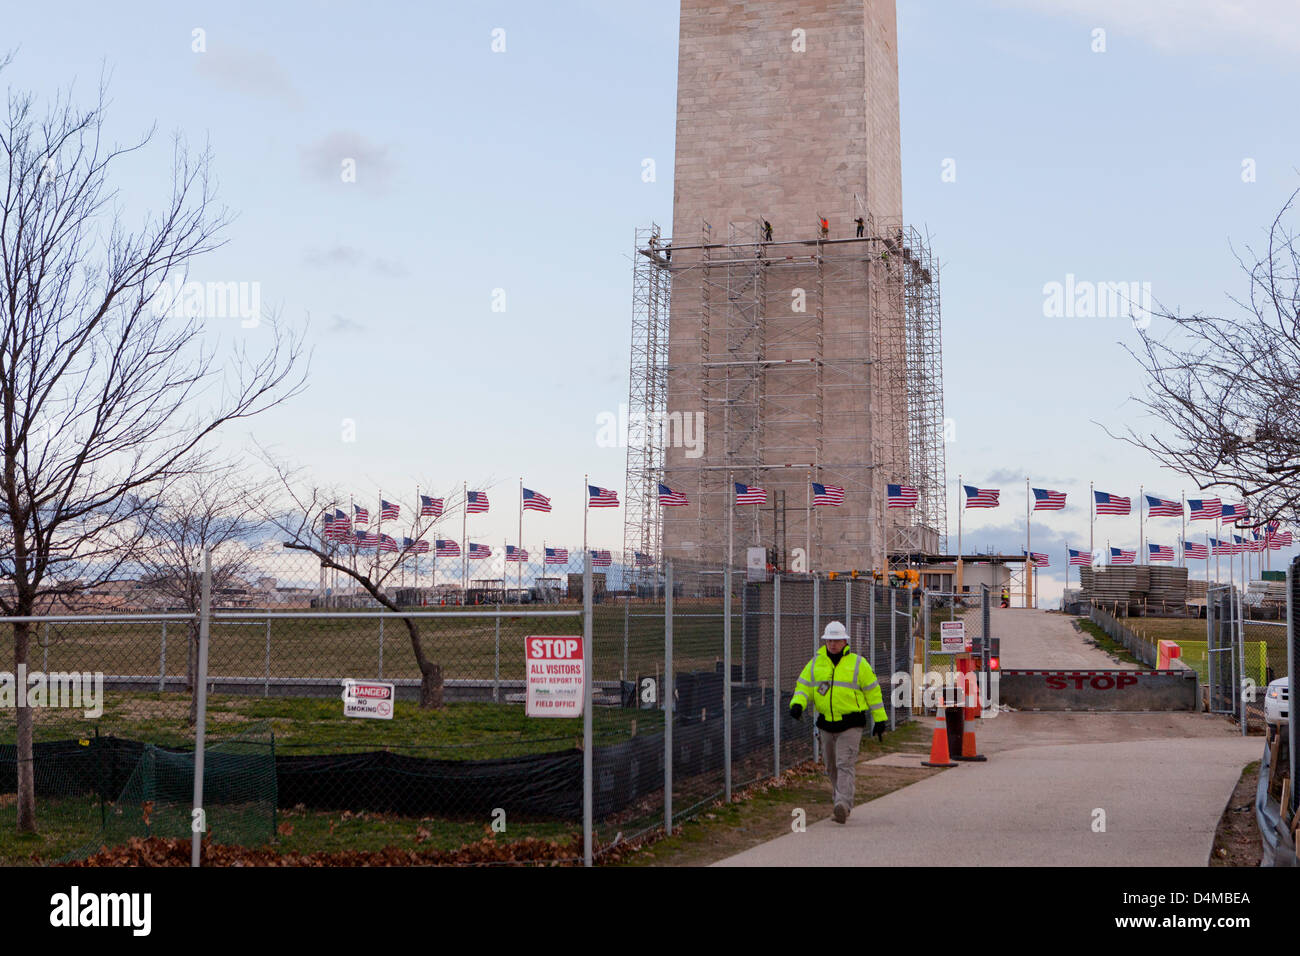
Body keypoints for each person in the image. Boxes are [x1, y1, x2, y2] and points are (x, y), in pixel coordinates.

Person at [789, 621, 888, 824]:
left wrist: (880, 719)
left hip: (851, 724)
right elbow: (803, 687)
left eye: (837, 640)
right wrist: (797, 704)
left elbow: (873, 692)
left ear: (845, 641)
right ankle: (839, 799)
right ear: (825, 641)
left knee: (845, 763)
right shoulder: (816, 664)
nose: (833, 644)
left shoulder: (859, 664)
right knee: (831, 766)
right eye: (830, 640)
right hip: (826, 724)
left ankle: (843, 804)